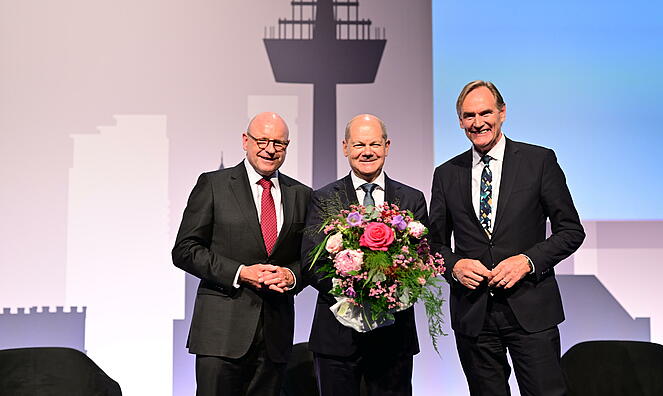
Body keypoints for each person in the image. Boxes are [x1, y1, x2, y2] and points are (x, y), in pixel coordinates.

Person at [429, 81, 585, 396]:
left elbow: (571, 231)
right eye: (468, 115)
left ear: (502, 113)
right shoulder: (446, 173)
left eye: (485, 112)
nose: (477, 122)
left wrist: (528, 261)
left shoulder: (538, 161)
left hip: (531, 310)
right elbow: (433, 245)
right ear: (460, 121)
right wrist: (455, 266)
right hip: (474, 315)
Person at [172, 112, 312, 396]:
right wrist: (240, 272)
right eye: (262, 140)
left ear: (287, 146)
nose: (270, 149)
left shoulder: (302, 194)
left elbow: (312, 257)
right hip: (221, 334)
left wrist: (292, 275)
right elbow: (185, 250)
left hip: (275, 335)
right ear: (245, 141)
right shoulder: (214, 184)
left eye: (279, 143)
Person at [302, 114, 427, 396]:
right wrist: (355, 289)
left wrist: (388, 289)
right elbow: (311, 262)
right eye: (359, 144)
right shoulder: (324, 198)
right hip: (337, 339)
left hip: (393, 337)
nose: (367, 152)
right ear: (345, 147)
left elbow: (421, 262)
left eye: (374, 143)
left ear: (387, 146)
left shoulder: (412, 198)